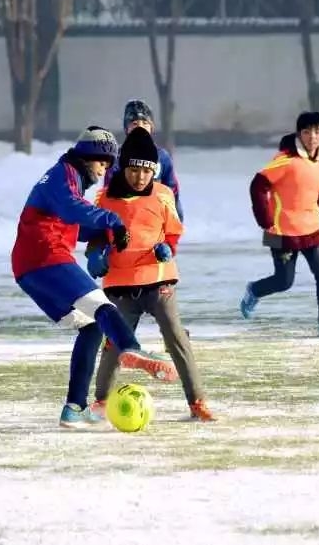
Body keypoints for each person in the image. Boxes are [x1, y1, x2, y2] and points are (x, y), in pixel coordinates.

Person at [11, 126, 179, 428]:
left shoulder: (68, 179)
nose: (103, 171)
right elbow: (72, 209)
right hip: (45, 258)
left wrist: (106, 232)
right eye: (103, 164)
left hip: (31, 267)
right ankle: (131, 348)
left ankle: (74, 408)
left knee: (90, 329)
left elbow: (74, 224)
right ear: (91, 157)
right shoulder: (64, 174)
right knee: (102, 306)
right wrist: (112, 219)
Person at [88, 126, 214, 422]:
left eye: (147, 171)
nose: (140, 177)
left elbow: (173, 232)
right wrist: (95, 255)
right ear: (124, 167)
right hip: (120, 285)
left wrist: (168, 248)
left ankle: (197, 402)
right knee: (113, 344)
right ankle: (100, 402)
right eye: (134, 170)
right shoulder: (104, 198)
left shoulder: (163, 195)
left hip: (159, 282)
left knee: (177, 339)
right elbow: (94, 235)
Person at [239, 111, 319, 337]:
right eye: (307, 131)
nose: (312, 136)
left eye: (317, 131)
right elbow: (258, 185)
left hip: (311, 230)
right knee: (284, 282)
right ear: (300, 133)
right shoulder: (286, 160)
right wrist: (265, 219)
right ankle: (254, 290)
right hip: (280, 231)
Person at [105, 99, 183, 220]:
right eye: (135, 124)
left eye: (145, 123)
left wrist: (176, 218)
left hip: (155, 222)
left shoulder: (162, 157)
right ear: (127, 128)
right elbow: (108, 193)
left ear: (151, 128)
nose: (140, 128)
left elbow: (173, 191)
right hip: (125, 220)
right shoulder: (117, 158)